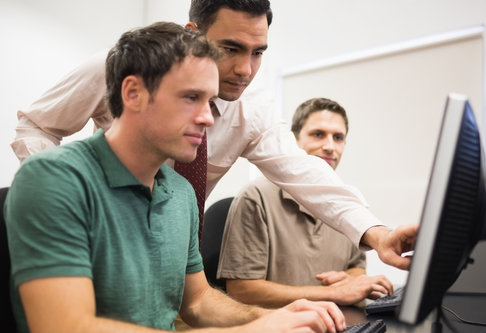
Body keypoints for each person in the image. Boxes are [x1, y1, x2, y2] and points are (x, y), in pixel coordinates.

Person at [5, 22, 346, 333]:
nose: (208, 118)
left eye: (210, 100)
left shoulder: (180, 192)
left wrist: (270, 319)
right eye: (191, 98)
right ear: (133, 93)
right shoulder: (52, 179)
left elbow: (197, 301)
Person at [11, 0, 417, 271]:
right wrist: (66, 198)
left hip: (176, 258)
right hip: (103, 240)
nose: (245, 69)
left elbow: (306, 173)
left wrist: (377, 233)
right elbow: (38, 124)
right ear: (193, 33)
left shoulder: (251, 107)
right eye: (231, 49)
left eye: (258, 52)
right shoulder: (119, 67)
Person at [218, 97, 394, 308]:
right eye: (318, 134)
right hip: (279, 330)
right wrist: (332, 293)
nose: (330, 146)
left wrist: (351, 279)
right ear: (293, 140)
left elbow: (357, 266)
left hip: (338, 326)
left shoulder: (350, 204)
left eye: (338, 137)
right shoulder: (256, 198)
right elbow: (242, 291)